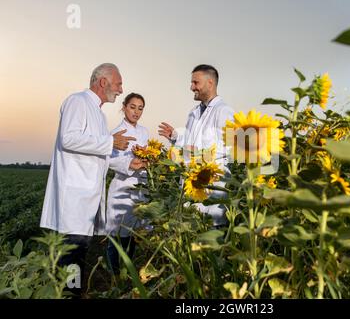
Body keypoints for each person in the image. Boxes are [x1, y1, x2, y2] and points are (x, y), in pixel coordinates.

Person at [40, 63, 147, 296]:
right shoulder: (78, 101)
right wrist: (110, 142)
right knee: (72, 253)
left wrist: (129, 163)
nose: (120, 89)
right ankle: (69, 294)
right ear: (103, 82)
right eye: (118, 84)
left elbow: (98, 156)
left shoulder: (97, 112)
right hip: (75, 196)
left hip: (86, 195)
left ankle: (71, 292)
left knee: (78, 251)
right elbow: (68, 139)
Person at [158, 64, 234, 226]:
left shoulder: (224, 112)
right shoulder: (193, 113)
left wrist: (200, 154)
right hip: (192, 186)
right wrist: (175, 136)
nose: (191, 87)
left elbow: (229, 149)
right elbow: (192, 141)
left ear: (210, 83)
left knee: (210, 239)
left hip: (212, 190)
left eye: (195, 83)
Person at [103, 92, 149, 276]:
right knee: (116, 235)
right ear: (124, 107)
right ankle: (113, 276)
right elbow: (108, 160)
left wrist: (148, 159)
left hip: (139, 188)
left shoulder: (144, 132)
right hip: (122, 187)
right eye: (132, 107)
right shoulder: (116, 133)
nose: (136, 112)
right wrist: (129, 163)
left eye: (140, 108)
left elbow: (145, 154)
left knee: (132, 234)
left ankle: (128, 273)